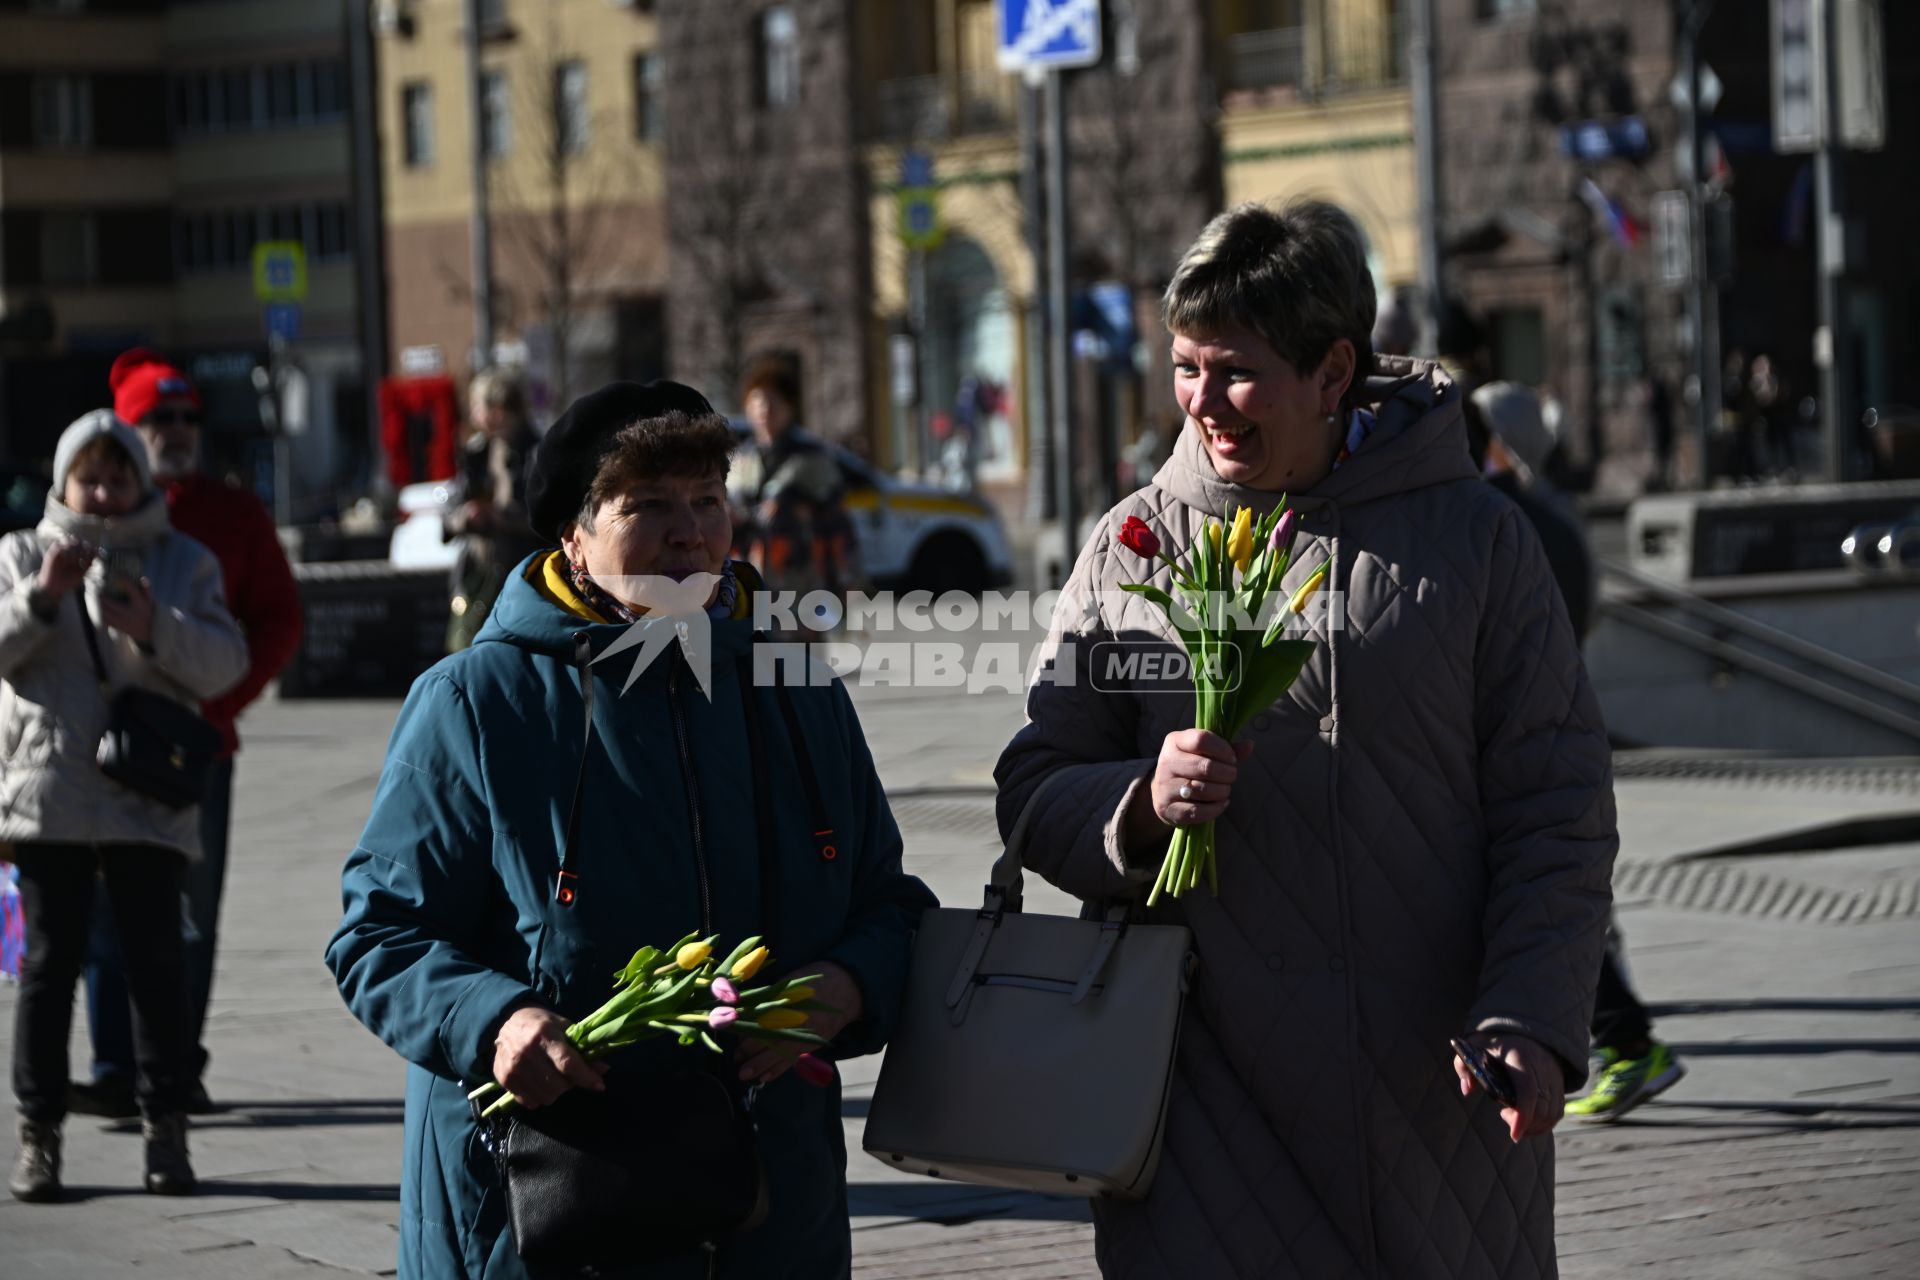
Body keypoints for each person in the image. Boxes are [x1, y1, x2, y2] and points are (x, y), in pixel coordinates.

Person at [995, 201, 1618, 1278]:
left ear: (1335, 374)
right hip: (1201, 1110)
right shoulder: (1134, 545)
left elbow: (1555, 804)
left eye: (1236, 371)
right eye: (1185, 367)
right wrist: (1142, 802)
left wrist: (1530, 1007)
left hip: (1434, 1100)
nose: (1203, 403)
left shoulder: (1475, 540)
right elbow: (1036, 780)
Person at [325, 380, 934, 1279]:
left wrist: (849, 983)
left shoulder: (797, 691)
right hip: (545, 1204)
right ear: (573, 535)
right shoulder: (476, 702)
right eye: (645, 506)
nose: (688, 531)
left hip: (768, 1207)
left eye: (706, 500)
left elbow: (890, 902)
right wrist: (497, 1022)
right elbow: (378, 934)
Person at [2, 411, 248, 1201]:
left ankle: (165, 1132)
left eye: (118, 478)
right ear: (65, 482)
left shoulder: (185, 560)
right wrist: (42, 598)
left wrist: (156, 628)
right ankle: (38, 1138)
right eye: (90, 478)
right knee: (47, 967)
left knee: (156, 967)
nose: (104, 494)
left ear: (140, 483)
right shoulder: (20, 552)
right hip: (51, 788)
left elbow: (225, 666)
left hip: (148, 791)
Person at [73, 349, 304, 1121]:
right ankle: (112, 1067)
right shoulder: (89, 513)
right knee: (103, 913)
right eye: (157, 419)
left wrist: (223, 702)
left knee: (188, 917)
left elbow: (279, 618)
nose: (176, 432)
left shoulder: (233, 514)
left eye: (187, 418)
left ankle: (176, 1064)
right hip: (94, 754)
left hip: (193, 753)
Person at [1468, 383, 1691, 1123]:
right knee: (1569, 899)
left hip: (1516, 744)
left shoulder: (1495, 521)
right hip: (1551, 732)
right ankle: (1619, 1039)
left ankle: (1627, 1043)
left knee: (1553, 898)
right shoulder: (1545, 515)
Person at [734, 360, 857, 607]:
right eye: (758, 401)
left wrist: (844, 581)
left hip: (802, 580)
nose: (765, 409)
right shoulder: (740, 459)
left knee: (800, 644)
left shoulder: (810, 458)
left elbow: (837, 522)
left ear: (790, 407)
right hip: (748, 580)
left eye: (773, 401)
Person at [443, 369, 545, 652]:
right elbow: (451, 509)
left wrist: (499, 519)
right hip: (478, 575)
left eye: (477, 405)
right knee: (470, 654)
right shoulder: (476, 453)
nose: (473, 414)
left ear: (497, 410)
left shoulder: (539, 453)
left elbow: (549, 519)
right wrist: (467, 515)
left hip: (525, 579)